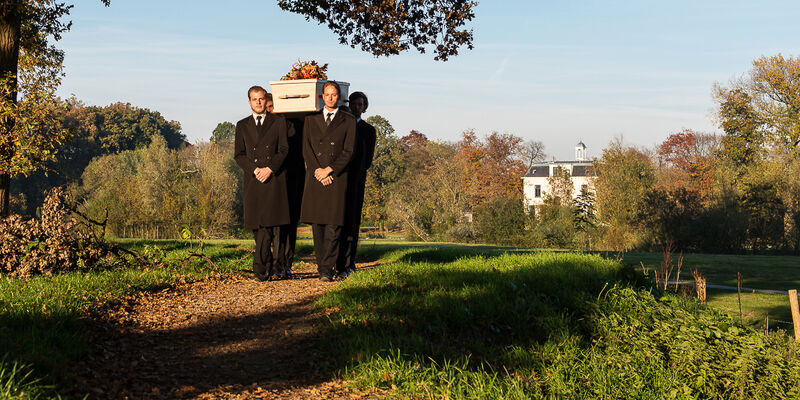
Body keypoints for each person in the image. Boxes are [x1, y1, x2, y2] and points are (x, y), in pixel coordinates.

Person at [299, 81, 356, 281]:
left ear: (339, 97)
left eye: (334, 95)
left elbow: (349, 151)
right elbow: (307, 149)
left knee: (334, 226)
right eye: (327, 94)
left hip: (336, 178)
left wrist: (330, 170)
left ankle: (327, 268)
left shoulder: (348, 120)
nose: (331, 98)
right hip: (316, 178)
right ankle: (323, 267)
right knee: (319, 226)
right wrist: (318, 171)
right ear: (321, 96)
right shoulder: (310, 120)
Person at [234, 85, 291, 281]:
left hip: (274, 179)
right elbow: (239, 155)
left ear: (266, 101)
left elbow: (283, 149)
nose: (258, 102)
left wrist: (269, 169)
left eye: (261, 99)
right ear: (249, 102)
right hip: (253, 179)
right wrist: (255, 169)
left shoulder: (278, 122)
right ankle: (267, 266)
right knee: (257, 226)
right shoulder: (242, 125)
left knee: (269, 225)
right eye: (254, 99)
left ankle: (259, 269)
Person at [336, 91, 376, 278]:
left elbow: (367, 161)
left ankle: (349, 262)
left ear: (364, 107)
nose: (357, 108)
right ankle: (336, 262)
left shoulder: (368, 130)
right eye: (355, 104)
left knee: (352, 224)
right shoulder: (340, 126)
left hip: (356, 182)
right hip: (337, 182)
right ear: (349, 104)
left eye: (361, 105)